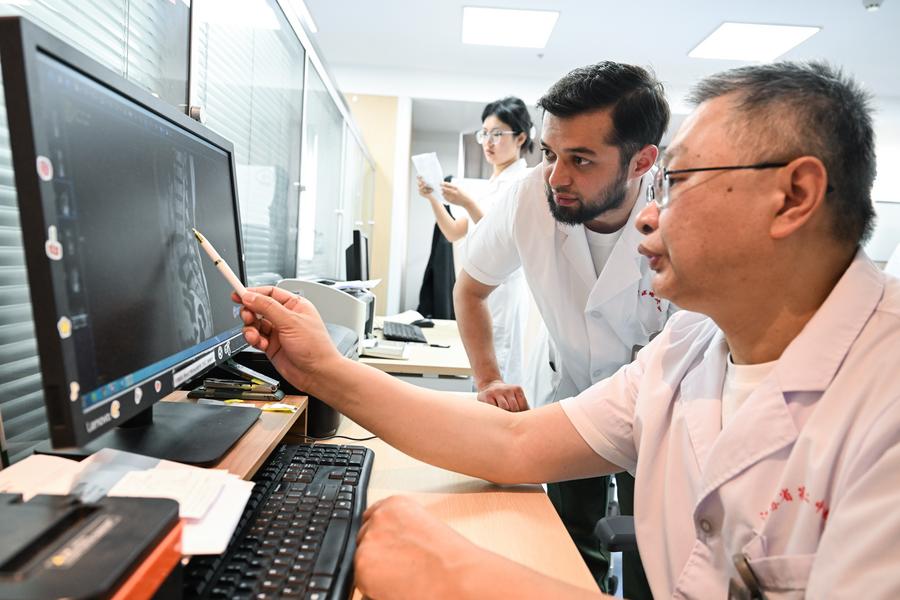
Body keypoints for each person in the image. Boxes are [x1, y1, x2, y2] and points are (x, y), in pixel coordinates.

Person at [234, 60, 900, 598]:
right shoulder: (691, 347)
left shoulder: (884, 400)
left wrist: (464, 577)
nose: (651, 215)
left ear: (793, 197)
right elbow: (515, 443)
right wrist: (322, 368)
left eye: (678, 181)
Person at [454, 62, 671, 595]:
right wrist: (488, 378)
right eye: (550, 154)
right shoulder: (530, 198)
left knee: (655, 557)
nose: (556, 177)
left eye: (581, 159)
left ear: (642, 162)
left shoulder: (681, 213)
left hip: (663, 410)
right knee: (570, 545)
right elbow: (471, 288)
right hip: (571, 394)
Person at [417, 96, 535, 387]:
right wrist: (433, 198)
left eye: (497, 134)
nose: (488, 142)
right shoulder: (489, 186)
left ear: (520, 137)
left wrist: (467, 202)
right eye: (484, 134)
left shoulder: (524, 183)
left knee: (499, 374)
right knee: (481, 374)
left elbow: (502, 241)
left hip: (503, 295)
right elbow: (453, 233)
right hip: (480, 294)